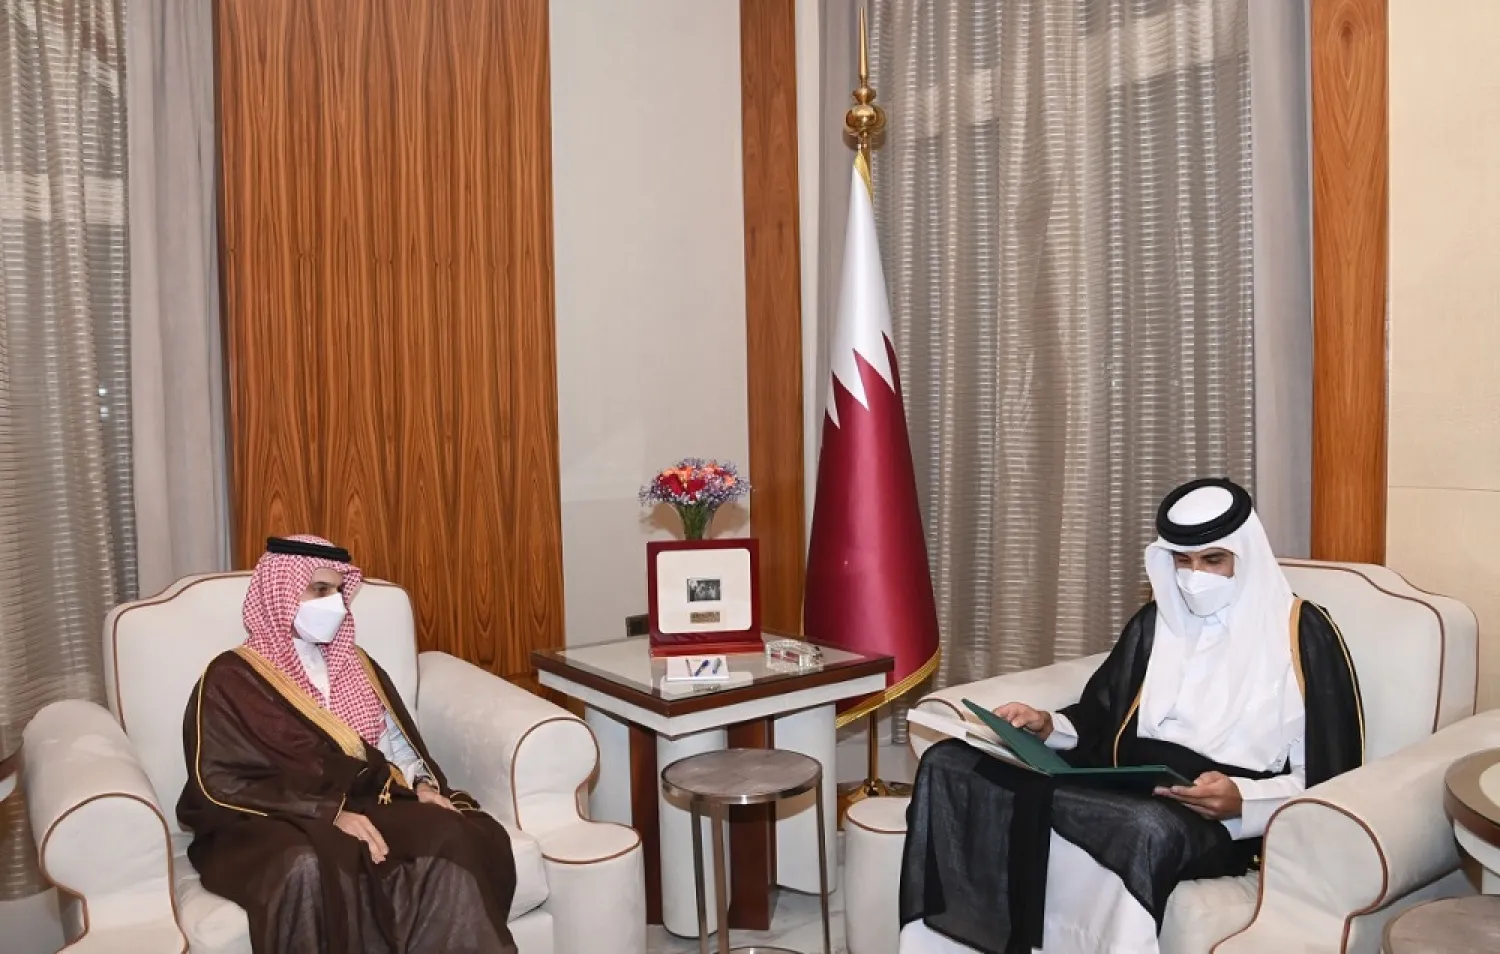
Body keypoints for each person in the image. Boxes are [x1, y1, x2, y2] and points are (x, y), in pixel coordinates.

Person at [898, 478, 1365, 954]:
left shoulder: (1303, 635)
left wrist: (1244, 799)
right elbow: (1103, 718)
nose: (1193, 577)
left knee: (1142, 828)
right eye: (1181, 561)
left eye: (1212, 560)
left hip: (1214, 816)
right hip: (1127, 783)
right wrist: (1046, 724)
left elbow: (1331, 777)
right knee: (952, 762)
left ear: (1246, 556)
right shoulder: (1154, 623)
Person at [177, 535, 519, 954]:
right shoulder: (230, 677)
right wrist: (326, 813)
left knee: (451, 832)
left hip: (363, 801)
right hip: (262, 820)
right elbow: (219, 780)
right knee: (304, 867)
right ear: (280, 591)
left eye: (339, 591)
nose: (334, 603)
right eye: (319, 590)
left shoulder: (354, 662)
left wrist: (423, 788)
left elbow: (388, 744)